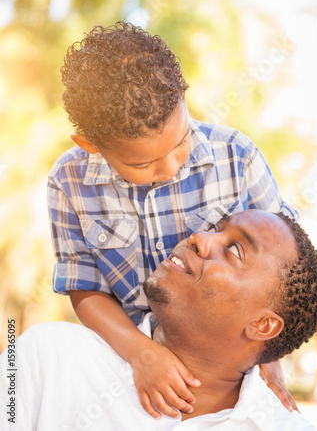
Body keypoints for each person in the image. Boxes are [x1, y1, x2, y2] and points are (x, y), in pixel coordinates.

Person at [47, 21, 299, 418]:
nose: (169, 168)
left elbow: (282, 269)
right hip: (127, 356)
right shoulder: (69, 183)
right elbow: (85, 290)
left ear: (184, 96)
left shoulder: (238, 158)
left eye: (180, 142)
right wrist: (143, 354)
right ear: (90, 145)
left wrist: (268, 359)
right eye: (142, 163)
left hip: (221, 365)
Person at [0, 210, 317, 430]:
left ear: (262, 326)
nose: (199, 237)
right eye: (215, 228)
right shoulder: (45, 357)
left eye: (235, 251)